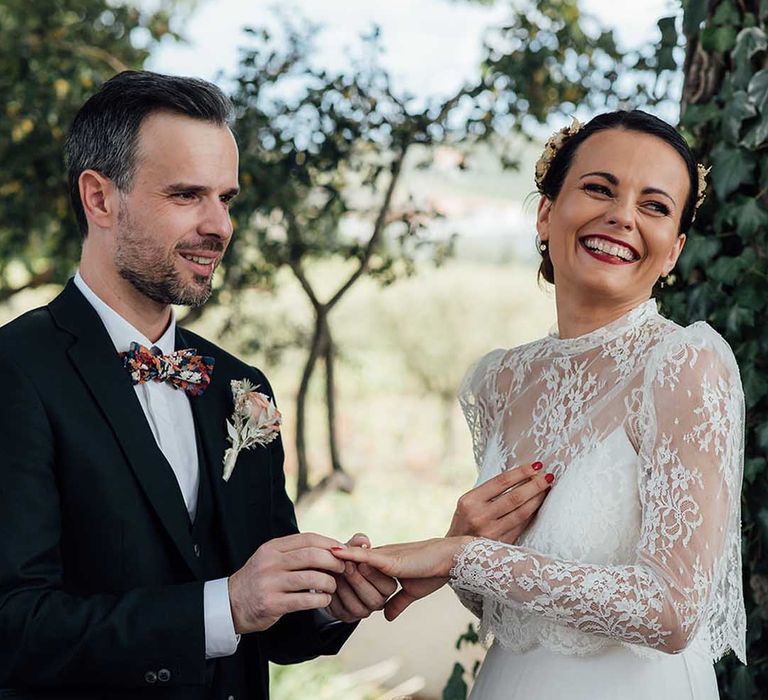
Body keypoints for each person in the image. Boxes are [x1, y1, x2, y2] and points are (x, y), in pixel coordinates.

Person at [0, 70, 403, 700]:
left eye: (227, 198)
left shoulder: (242, 386)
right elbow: (13, 630)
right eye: (188, 195)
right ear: (100, 199)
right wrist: (224, 607)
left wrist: (330, 603)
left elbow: (272, 632)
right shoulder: (16, 371)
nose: (220, 226)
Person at [331, 110, 747, 700]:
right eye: (599, 188)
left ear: (675, 250)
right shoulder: (501, 379)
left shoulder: (685, 364)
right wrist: (457, 552)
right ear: (547, 214)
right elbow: (504, 605)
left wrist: (460, 555)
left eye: (653, 206)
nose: (622, 216)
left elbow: (673, 611)